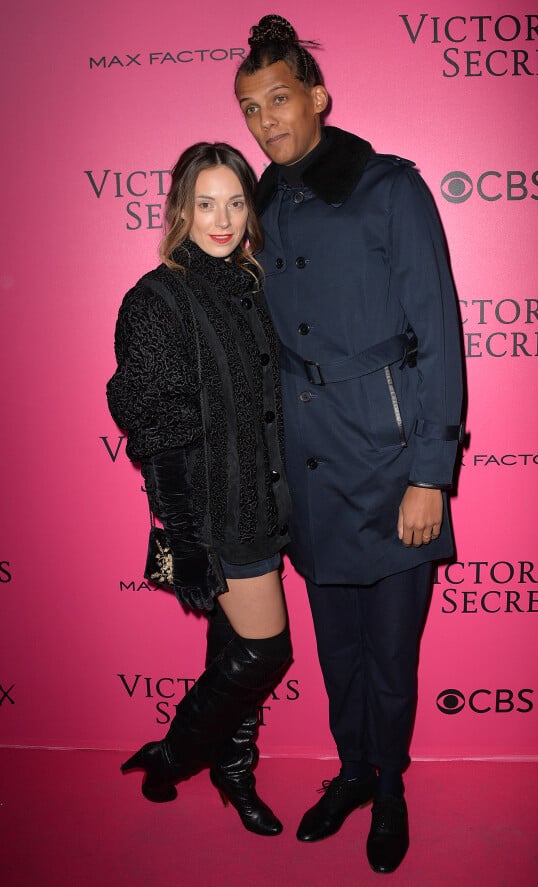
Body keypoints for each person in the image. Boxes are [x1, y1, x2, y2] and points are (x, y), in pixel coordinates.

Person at [235, 15, 464, 873]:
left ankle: (393, 784)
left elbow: (439, 336)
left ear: (318, 97)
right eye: (251, 108)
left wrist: (429, 475)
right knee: (337, 651)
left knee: (392, 655)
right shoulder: (257, 205)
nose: (266, 121)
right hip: (311, 468)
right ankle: (354, 772)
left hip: (389, 459)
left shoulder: (386, 187)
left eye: (281, 99)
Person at [106, 142, 293, 836]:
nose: (223, 219)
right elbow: (159, 435)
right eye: (206, 203)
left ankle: (235, 770)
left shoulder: (250, 287)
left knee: (230, 649)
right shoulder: (156, 300)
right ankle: (178, 755)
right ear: (180, 210)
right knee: (265, 652)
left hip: (266, 498)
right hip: (220, 512)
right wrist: (185, 540)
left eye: (237, 202)